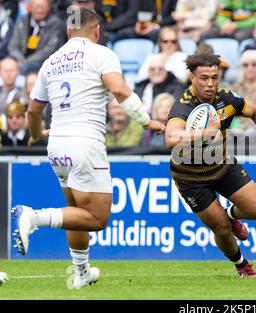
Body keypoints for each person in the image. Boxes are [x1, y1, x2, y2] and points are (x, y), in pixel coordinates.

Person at [11, 8, 165, 288]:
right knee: (95, 218)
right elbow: (119, 90)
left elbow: (33, 112)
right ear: (97, 31)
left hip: (57, 146)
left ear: (68, 32)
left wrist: (35, 135)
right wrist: (145, 121)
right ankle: (33, 216)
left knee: (76, 211)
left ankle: (81, 271)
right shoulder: (101, 54)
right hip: (85, 144)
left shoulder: (51, 61)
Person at [165, 53, 256, 277]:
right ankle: (241, 264)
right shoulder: (183, 106)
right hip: (191, 178)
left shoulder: (226, 99)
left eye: (215, 78)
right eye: (204, 78)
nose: (210, 83)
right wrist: (204, 133)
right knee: (221, 229)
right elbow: (170, 139)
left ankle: (230, 215)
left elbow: (255, 111)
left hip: (223, 166)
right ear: (192, 78)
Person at [7, 0, 66, 75]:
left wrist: (26, 62)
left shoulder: (56, 24)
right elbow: (13, 45)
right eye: (36, 7)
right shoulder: (22, 20)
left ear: (49, 7)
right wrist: (20, 59)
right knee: (7, 66)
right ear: (30, 7)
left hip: (42, 63)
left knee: (24, 69)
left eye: (42, 7)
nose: (39, 10)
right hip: (19, 61)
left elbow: (50, 50)